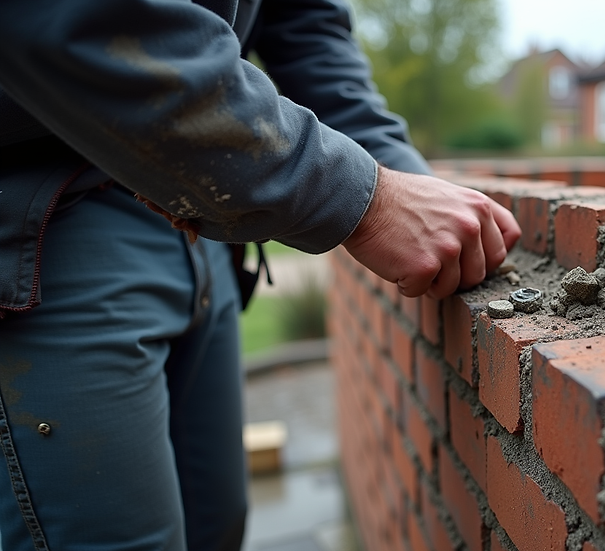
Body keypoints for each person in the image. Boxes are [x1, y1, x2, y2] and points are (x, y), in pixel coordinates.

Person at [0, 0, 520, 549]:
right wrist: (367, 200)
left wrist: (403, 178)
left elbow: (306, 27)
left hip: (197, 222)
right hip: (52, 226)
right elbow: (77, 19)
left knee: (217, 524)